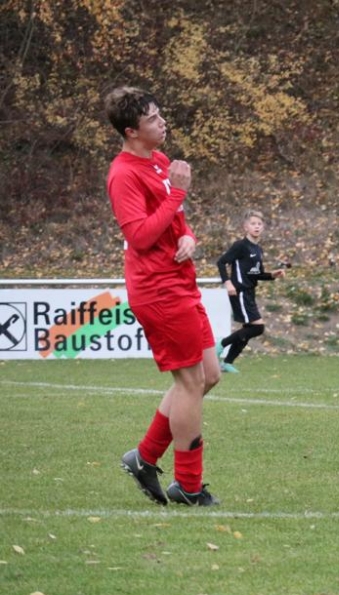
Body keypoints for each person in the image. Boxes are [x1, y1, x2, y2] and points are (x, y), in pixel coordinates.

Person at [104, 86, 221, 507]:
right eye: (152, 118)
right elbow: (139, 237)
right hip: (158, 289)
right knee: (190, 382)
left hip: (180, 281)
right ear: (132, 131)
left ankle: (144, 457)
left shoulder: (158, 161)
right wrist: (178, 192)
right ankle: (188, 485)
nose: (162, 122)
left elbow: (176, 221)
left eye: (159, 114)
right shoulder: (123, 175)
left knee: (209, 375)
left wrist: (188, 237)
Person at [215, 210, 286, 372]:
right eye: (253, 224)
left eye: (259, 224)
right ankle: (221, 344)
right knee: (257, 328)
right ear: (245, 227)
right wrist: (228, 283)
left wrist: (272, 275)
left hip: (249, 292)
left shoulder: (258, 249)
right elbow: (221, 263)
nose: (257, 226)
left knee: (248, 329)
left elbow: (256, 274)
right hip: (239, 291)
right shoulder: (240, 246)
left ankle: (227, 363)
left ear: (263, 227)